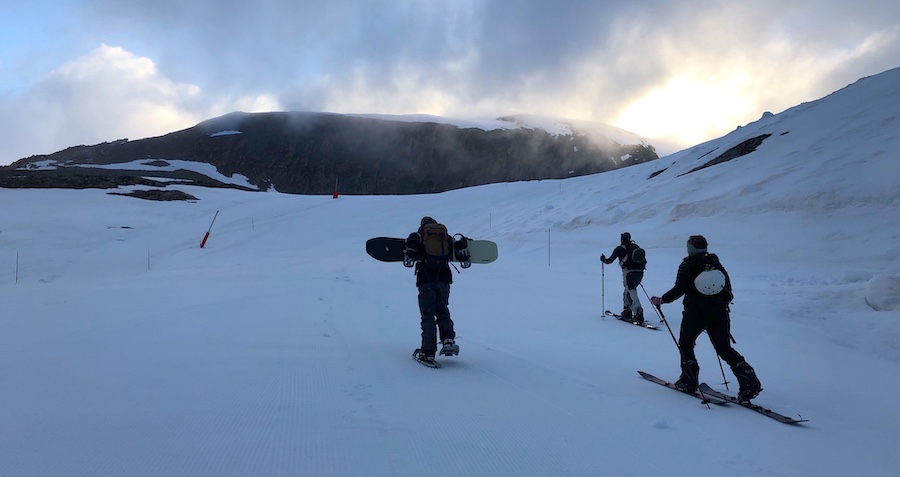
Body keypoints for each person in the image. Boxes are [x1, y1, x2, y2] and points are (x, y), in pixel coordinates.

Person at [650, 235, 763, 402]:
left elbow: (679, 288)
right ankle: (749, 381)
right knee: (723, 348)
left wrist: (662, 300)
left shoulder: (688, 264)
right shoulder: (716, 263)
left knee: (686, 343)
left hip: (695, 313)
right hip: (719, 312)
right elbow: (728, 291)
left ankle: (689, 379)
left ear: (690, 248)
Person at [404, 216, 469, 364]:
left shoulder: (418, 235)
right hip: (444, 279)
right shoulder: (446, 236)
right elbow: (458, 251)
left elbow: (409, 257)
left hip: (426, 280)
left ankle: (428, 352)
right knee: (442, 309)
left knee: (428, 315)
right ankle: (448, 340)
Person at [601, 232, 646, 324]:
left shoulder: (620, 249)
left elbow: (609, 261)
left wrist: (603, 259)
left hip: (628, 273)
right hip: (640, 273)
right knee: (627, 291)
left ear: (622, 239)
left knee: (631, 291)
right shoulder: (635, 247)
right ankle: (627, 310)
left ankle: (638, 313)